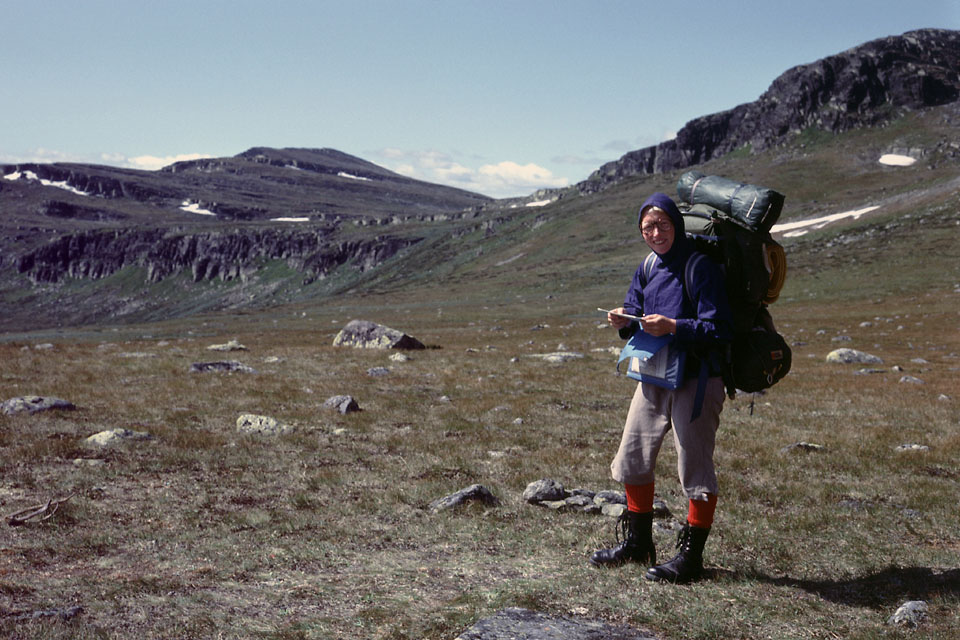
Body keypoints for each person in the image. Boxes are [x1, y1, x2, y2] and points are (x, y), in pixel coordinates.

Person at [590, 192, 732, 584]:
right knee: (632, 458)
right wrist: (623, 321)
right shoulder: (648, 267)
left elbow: (720, 328)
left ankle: (691, 558)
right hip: (654, 373)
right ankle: (639, 545)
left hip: (698, 379)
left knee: (695, 468)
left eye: (662, 224)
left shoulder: (699, 267)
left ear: (677, 224)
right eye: (648, 227)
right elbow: (635, 313)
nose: (655, 233)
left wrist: (674, 326)